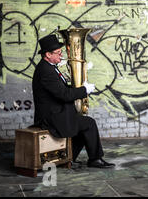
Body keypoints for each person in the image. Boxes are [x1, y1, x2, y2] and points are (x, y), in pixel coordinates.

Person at [32, 34, 115, 168]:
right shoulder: (46, 71)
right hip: (51, 118)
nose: (61, 56)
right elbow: (64, 95)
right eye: (58, 53)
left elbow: (61, 89)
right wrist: (83, 90)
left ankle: (69, 158)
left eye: (61, 52)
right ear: (47, 54)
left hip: (56, 114)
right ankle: (95, 159)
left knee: (83, 124)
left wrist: (79, 86)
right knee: (89, 123)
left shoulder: (49, 67)